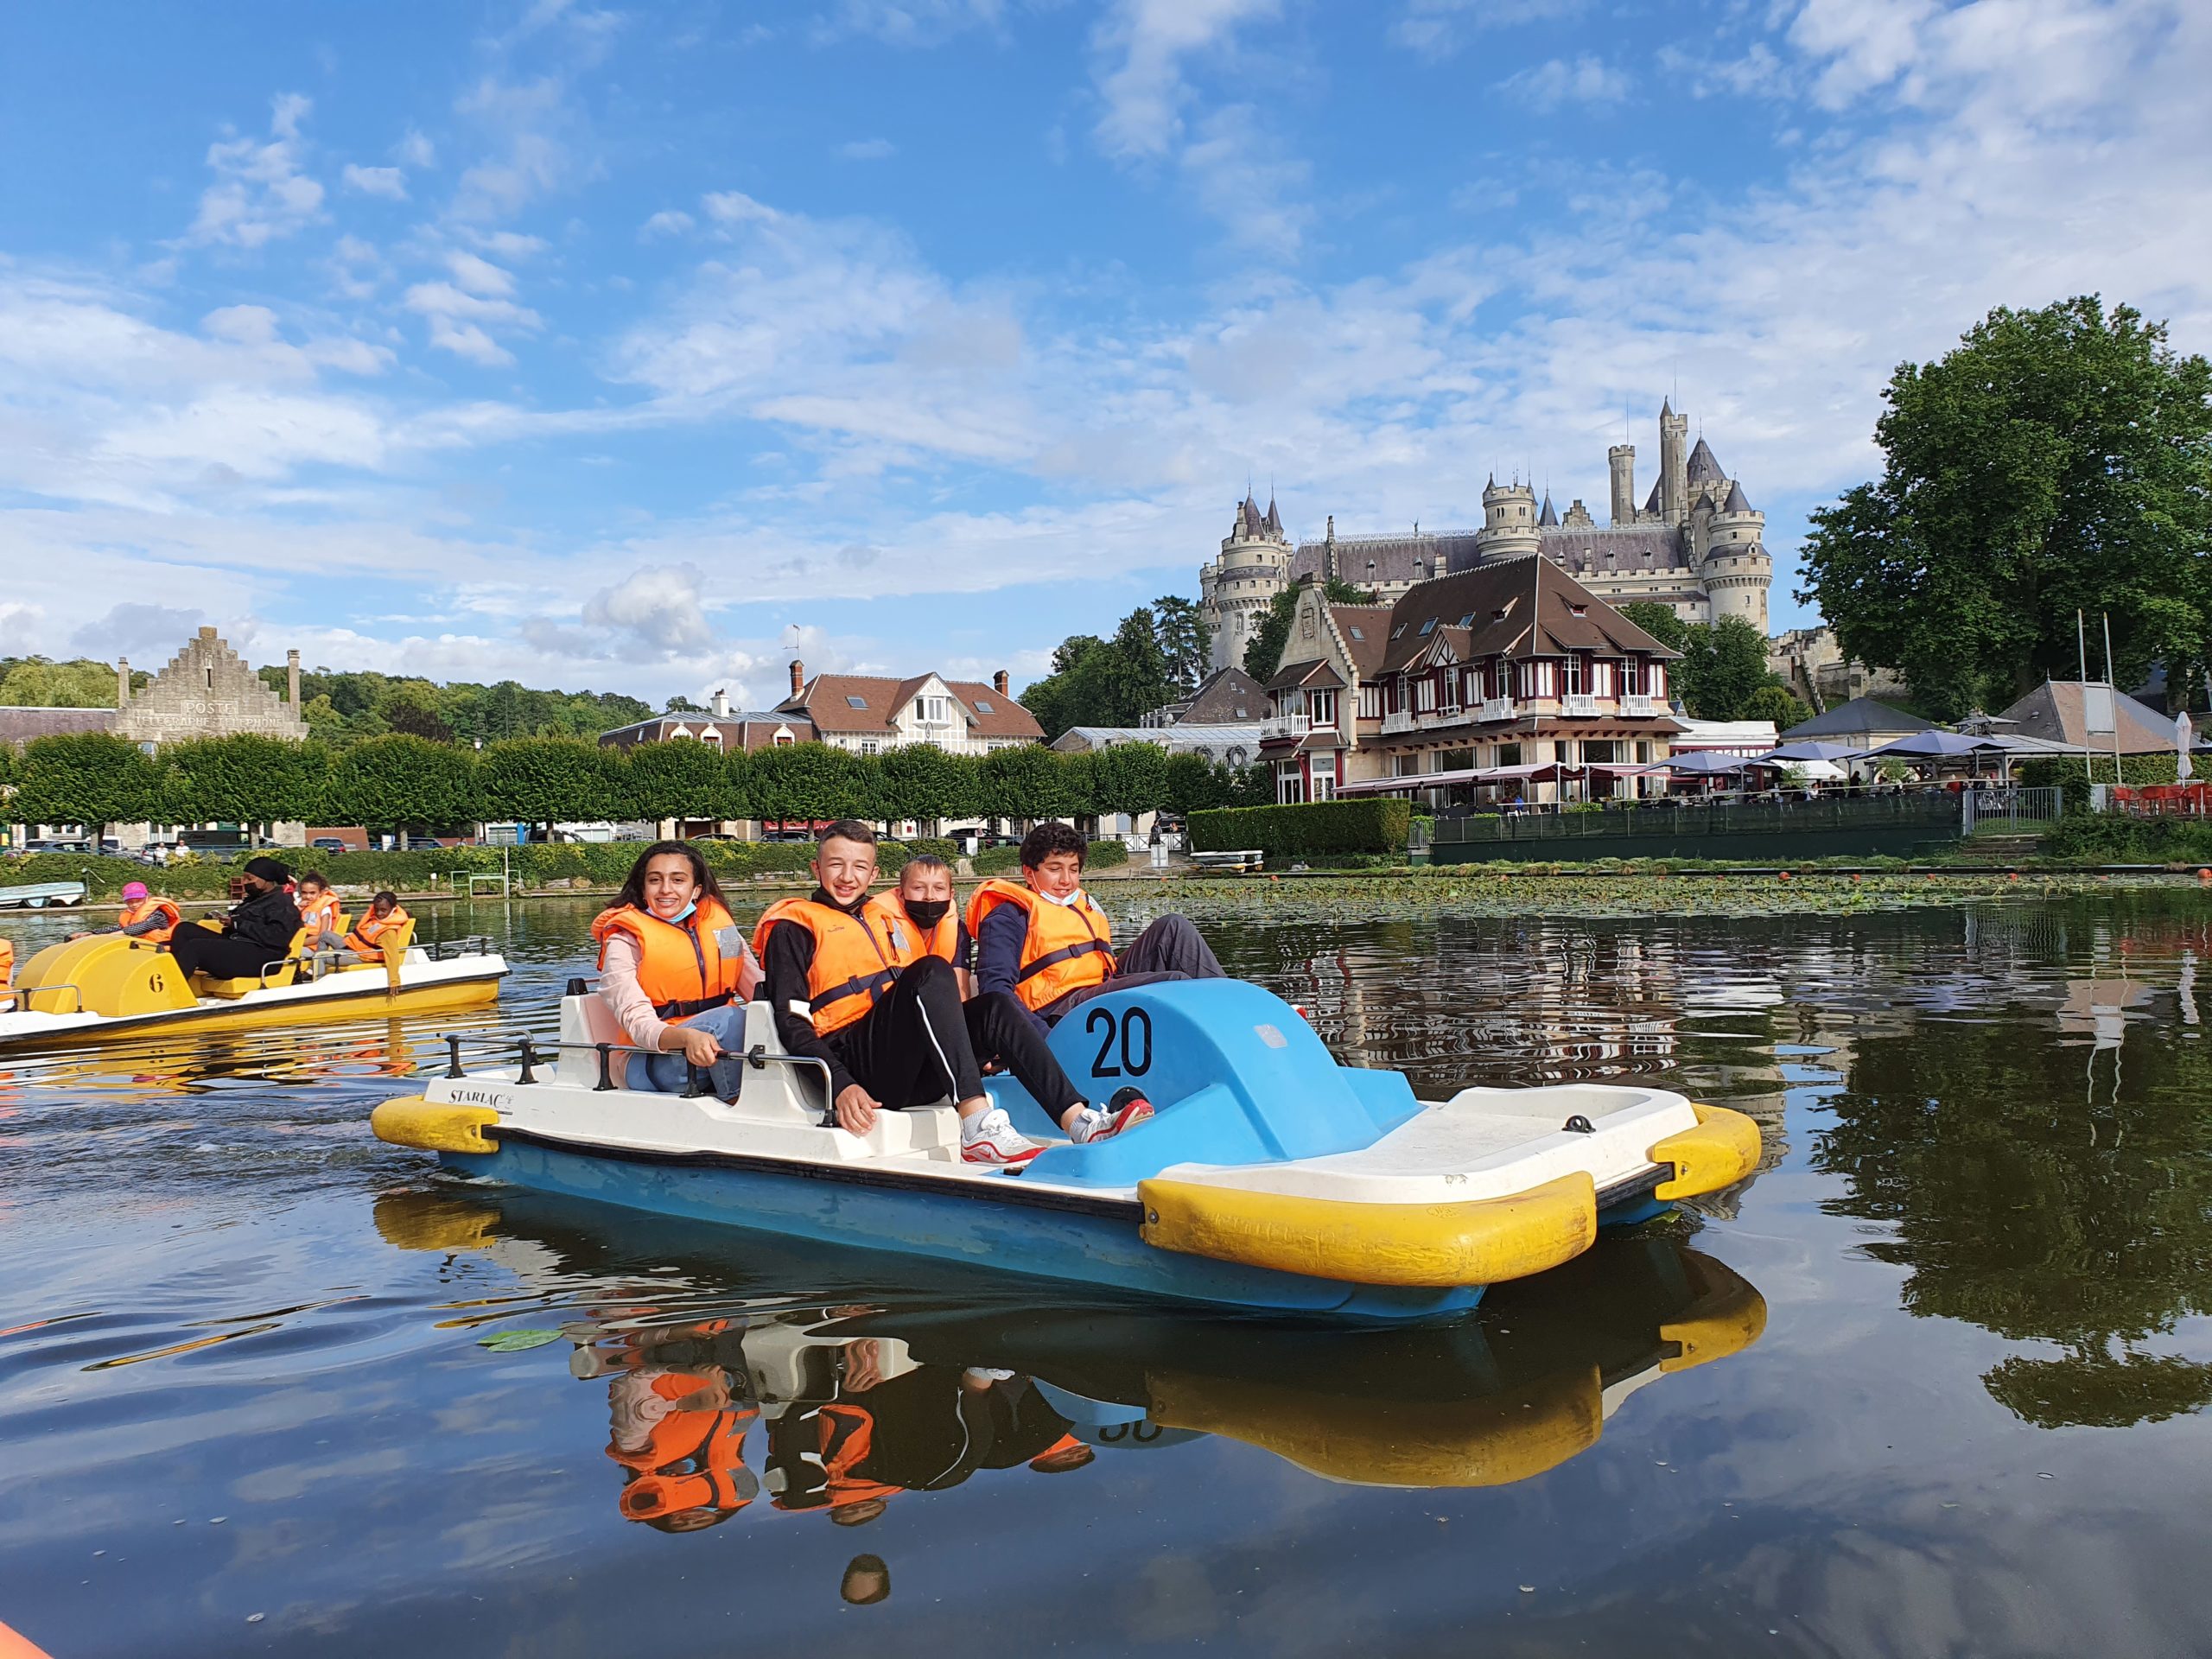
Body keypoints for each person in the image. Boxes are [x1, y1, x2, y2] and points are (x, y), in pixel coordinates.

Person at [754, 821, 1147, 1167]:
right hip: (856, 1065)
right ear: (816, 868)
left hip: (906, 1066)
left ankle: (1078, 1121)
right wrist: (840, 1084)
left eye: (859, 866)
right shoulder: (794, 927)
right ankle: (977, 1126)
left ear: (873, 874)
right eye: (836, 865)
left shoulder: (883, 918)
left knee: (994, 1006)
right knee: (930, 970)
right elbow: (791, 1022)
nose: (847, 876)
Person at [967, 821, 1224, 1035]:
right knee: (1174, 984)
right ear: (1028, 873)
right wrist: (1043, 1041)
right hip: (1058, 1009)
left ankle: (1232, 1011)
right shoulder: (1009, 915)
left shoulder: (1081, 904)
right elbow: (996, 992)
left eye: (1074, 870)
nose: (1066, 881)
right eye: (1054, 870)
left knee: (1173, 927)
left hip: (1102, 985)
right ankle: (1216, 1039)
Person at [593, 842, 761, 1096]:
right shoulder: (624, 939)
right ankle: (739, 1102)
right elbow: (638, 1024)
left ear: (696, 890)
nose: (666, 890)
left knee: (773, 1019)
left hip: (718, 1047)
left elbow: (759, 989)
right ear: (643, 887)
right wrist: (685, 1039)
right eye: (655, 880)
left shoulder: (720, 927)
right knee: (730, 1019)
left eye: (678, 880)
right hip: (652, 1059)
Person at [165, 857, 302, 982]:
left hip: (262, 957)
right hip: (242, 946)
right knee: (185, 929)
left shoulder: (282, 903)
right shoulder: (255, 900)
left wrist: (237, 924)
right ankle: (178, 976)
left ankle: (174, 989)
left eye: (249, 879)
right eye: (244, 878)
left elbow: (277, 937)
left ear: (266, 880)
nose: (245, 882)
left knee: (195, 947)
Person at [862, 854, 968, 994]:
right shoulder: (877, 926)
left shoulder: (958, 929)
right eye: (918, 888)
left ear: (951, 894)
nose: (929, 896)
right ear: (901, 894)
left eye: (939, 888)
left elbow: (961, 989)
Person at [72, 880, 180, 945]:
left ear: (147, 898)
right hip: (141, 948)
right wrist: (92, 933)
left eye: (138, 901)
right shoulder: (131, 915)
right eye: (130, 902)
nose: (134, 904)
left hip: (160, 948)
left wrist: (106, 937)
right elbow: (120, 927)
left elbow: (139, 928)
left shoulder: (158, 914)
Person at [339, 893, 411, 963]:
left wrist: (394, 975)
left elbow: (392, 958)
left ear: (393, 909)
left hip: (365, 956)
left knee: (327, 957)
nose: (379, 913)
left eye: (383, 910)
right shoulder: (376, 921)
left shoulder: (388, 931)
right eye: (376, 910)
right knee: (327, 935)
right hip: (355, 947)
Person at [295, 873, 346, 949]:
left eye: (312, 893)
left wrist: (297, 943)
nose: (308, 896)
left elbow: (322, 936)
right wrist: (298, 908)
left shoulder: (325, 909)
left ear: (321, 892)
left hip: (314, 946)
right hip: (300, 940)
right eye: (304, 892)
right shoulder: (302, 906)